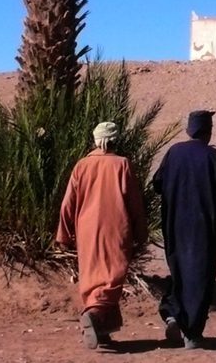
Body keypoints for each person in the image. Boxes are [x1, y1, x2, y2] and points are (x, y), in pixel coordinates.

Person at [152, 110, 216, 349]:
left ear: (188, 130)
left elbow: (157, 183)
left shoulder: (174, 153)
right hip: (205, 229)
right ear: (208, 131)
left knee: (179, 272)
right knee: (200, 278)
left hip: (175, 226)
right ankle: (192, 332)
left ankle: (173, 314)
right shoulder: (214, 158)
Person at [56, 121, 149, 350]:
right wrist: (141, 231)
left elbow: (68, 203)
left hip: (86, 230)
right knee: (111, 275)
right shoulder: (122, 165)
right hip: (116, 228)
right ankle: (95, 315)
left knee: (91, 273)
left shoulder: (82, 166)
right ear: (115, 140)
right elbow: (134, 202)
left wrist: (64, 235)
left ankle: (102, 329)